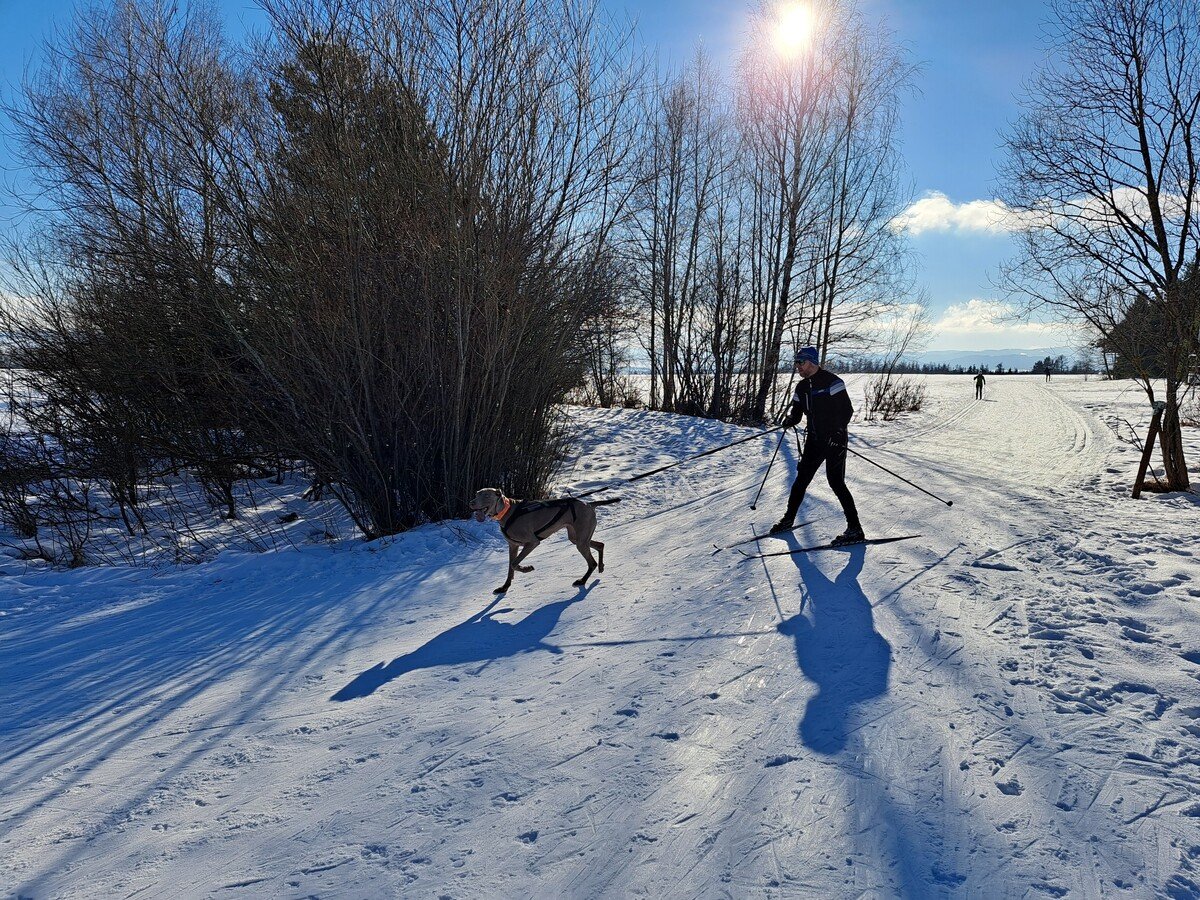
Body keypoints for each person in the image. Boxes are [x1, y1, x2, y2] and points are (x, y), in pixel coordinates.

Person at [771, 347, 863, 545]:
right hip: (813, 440)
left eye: (800, 362)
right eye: (796, 362)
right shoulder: (801, 388)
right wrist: (789, 420)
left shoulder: (833, 382)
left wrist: (838, 434)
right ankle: (788, 520)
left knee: (836, 482)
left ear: (812, 362)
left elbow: (846, 411)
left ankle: (855, 528)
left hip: (834, 440)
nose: (797, 367)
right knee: (801, 480)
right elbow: (796, 414)